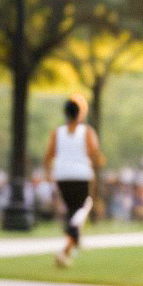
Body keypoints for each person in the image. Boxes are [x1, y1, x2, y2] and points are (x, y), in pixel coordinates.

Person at [44, 95, 103, 267]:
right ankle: (67, 246)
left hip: (62, 175)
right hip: (81, 175)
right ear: (80, 114)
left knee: (72, 210)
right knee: (84, 206)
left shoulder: (57, 132)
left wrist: (48, 173)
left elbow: (48, 155)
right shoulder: (87, 132)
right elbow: (94, 153)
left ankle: (72, 246)